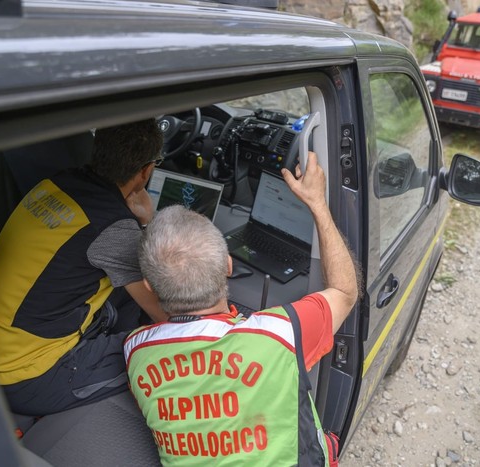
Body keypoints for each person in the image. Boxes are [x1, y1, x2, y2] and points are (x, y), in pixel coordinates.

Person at [124, 151, 359, 466]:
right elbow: (345, 290)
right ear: (229, 266)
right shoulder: (281, 334)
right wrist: (317, 203)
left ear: (150, 286)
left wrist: (148, 226)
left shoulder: (136, 351)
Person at [0, 119, 167, 416]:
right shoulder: (113, 228)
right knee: (159, 351)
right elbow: (162, 313)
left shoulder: (56, 183)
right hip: (25, 375)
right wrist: (148, 222)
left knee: (125, 295)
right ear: (146, 171)